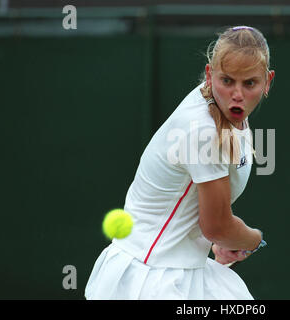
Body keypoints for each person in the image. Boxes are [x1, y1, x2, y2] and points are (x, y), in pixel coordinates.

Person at [85, 26, 275, 300]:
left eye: (249, 84)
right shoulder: (202, 130)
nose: (237, 93)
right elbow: (217, 226)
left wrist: (223, 239)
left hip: (183, 271)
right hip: (149, 280)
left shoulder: (222, 110)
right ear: (210, 75)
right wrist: (253, 239)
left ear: (267, 82)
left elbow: (211, 223)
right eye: (227, 80)